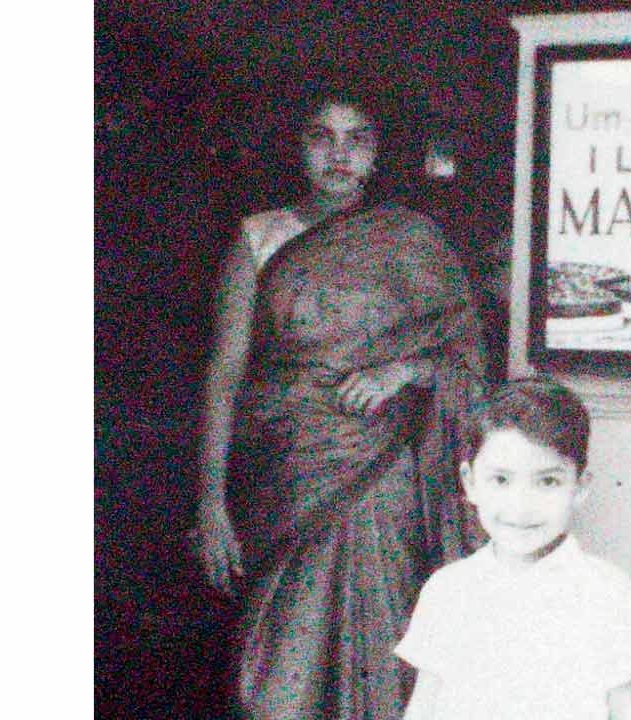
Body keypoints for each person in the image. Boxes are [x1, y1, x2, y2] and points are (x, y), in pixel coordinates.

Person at [192, 78, 486, 720]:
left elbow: (467, 356)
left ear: (377, 154)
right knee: (275, 687)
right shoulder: (258, 238)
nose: (339, 154)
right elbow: (225, 371)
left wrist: (403, 371)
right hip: (286, 474)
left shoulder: (410, 239)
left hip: (381, 477)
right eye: (321, 136)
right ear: (298, 148)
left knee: (380, 660)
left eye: (357, 139)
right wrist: (211, 502)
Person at [395, 377, 631, 720]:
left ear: (579, 487)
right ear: (470, 482)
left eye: (547, 481)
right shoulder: (448, 589)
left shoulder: (608, 593)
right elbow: (424, 708)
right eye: (501, 480)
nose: (521, 505)